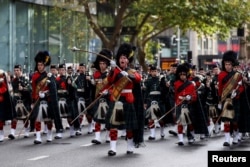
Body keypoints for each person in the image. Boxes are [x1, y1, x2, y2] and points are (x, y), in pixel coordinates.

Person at [105, 43, 142, 156]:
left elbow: (138, 79)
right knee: (113, 125)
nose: (122, 59)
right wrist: (112, 69)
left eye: (124, 58)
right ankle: (113, 148)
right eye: (121, 57)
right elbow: (110, 80)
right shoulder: (115, 70)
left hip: (128, 99)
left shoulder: (131, 71)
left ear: (128, 60)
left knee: (129, 127)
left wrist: (129, 75)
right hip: (116, 98)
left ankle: (130, 146)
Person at [218, 50, 244, 146]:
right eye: (226, 64)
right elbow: (220, 89)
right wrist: (220, 101)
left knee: (235, 120)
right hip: (226, 100)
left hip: (235, 99)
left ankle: (236, 136)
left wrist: (236, 92)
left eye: (229, 64)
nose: (227, 66)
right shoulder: (221, 75)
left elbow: (241, 87)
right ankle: (227, 139)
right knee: (226, 120)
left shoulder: (237, 75)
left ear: (232, 64)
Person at [31, 51, 56, 144]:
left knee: (48, 119)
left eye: (41, 65)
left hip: (47, 99)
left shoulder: (49, 76)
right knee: (37, 118)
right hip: (37, 99)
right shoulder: (34, 76)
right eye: (38, 65)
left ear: (44, 65)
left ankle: (49, 134)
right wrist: (32, 101)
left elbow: (53, 90)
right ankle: (38, 137)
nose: (39, 66)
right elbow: (33, 90)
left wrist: (45, 94)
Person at [91, 49, 112, 144]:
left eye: (104, 63)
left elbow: (114, 87)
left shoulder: (110, 74)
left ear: (107, 64)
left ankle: (108, 135)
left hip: (108, 98)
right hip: (98, 98)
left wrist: (108, 92)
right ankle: (97, 137)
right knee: (97, 118)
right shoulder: (96, 74)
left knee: (108, 118)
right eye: (100, 63)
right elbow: (94, 87)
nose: (102, 65)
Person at [174, 64, 197, 146]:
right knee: (179, 122)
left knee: (189, 123)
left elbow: (194, 96)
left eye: (184, 74)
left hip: (188, 104)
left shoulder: (191, 84)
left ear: (187, 74)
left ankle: (191, 137)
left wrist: (190, 97)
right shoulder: (176, 84)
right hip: (180, 104)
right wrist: (176, 103)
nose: (182, 76)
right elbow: (176, 95)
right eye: (181, 75)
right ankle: (180, 139)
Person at [144, 65, 168, 140]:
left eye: (155, 71)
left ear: (157, 72)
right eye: (153, 71)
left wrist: (166, 86)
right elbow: (146, 92)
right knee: (151, 118)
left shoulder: (161, 80)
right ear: (150, 72)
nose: (154, 73)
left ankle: (162, 131)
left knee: (160, 118)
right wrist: (145, 101)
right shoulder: (147, 81)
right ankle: (152, 134)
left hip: (159, 100)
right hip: (151, 99)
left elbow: (165, 91)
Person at [8, 64, 32, 139]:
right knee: (14, 117)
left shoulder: (25, 79)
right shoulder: (13, 80)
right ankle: (12, 132)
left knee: (25, 117)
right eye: (15, 70)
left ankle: (26, 130)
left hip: (24, 100)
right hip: (15, 100)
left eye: (17, 70)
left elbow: (30, 89)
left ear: (20, 71)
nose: (16, 72)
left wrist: (23, 89)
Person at [0, 70, 14, 142]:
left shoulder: (2, 73)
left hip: (2, 101)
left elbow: (5, 89)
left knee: (0, 119)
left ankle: (1, 133)